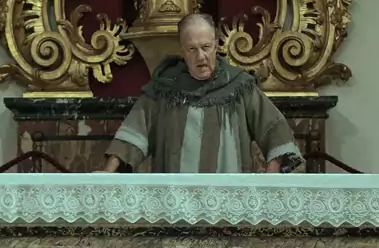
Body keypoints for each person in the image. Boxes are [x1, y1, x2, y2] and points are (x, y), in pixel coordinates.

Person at [97, 13, 303, 174]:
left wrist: (272, 171)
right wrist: (107, 173)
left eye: (206, 47)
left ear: (216, 46)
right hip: (175, 200)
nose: (201, 56)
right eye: (192, 49)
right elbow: (134, 133)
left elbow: (274, 129)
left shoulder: (239, 87)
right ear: (183, 51)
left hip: (229, 200)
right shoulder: (164, 89)